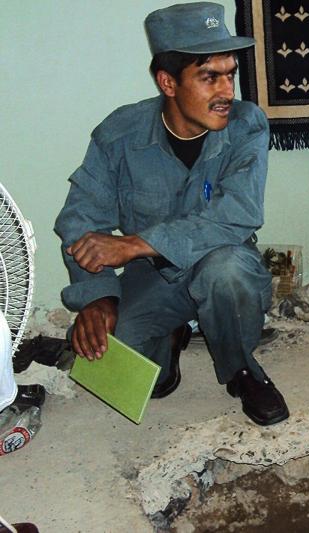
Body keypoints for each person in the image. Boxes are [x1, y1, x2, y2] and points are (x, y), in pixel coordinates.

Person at [54, 2, 288, 426]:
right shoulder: (119, 134)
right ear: (168, 82)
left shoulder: (248, 124)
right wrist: (99, 295)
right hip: (153, 274)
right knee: (99, 354)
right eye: (209, 77)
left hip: (224, 262)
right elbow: (81, 218)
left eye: (230, 74)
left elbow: (239, 213)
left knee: (227, 271)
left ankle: (241, 371)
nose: (226, 91)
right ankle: (173, 333)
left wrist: (133, 244)